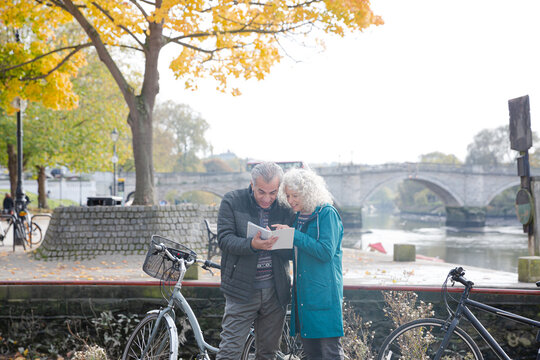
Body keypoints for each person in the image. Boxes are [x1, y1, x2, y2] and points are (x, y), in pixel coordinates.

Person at [216, 162, 295, 360]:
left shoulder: (286, 207)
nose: (267, 198)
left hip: (276, 292)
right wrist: (252, 245)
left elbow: (293, 252)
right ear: (252, 184)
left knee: (268, 354)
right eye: (261, 192)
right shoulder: (232, 201)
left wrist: (287, 238)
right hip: (241, 289)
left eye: (273, 193)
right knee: (229, 352)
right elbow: (224, 240)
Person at [274, 168, 345, 360]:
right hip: (305, 295)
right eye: (288, 195)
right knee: (311, 353)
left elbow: (325, 252)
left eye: (295, 195)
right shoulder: (300, 216)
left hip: (323, 296)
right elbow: (301, 250)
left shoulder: (327, 214)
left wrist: (293, 235)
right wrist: (274, 240)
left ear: (308, 192)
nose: (290, 200)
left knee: (329, 352)